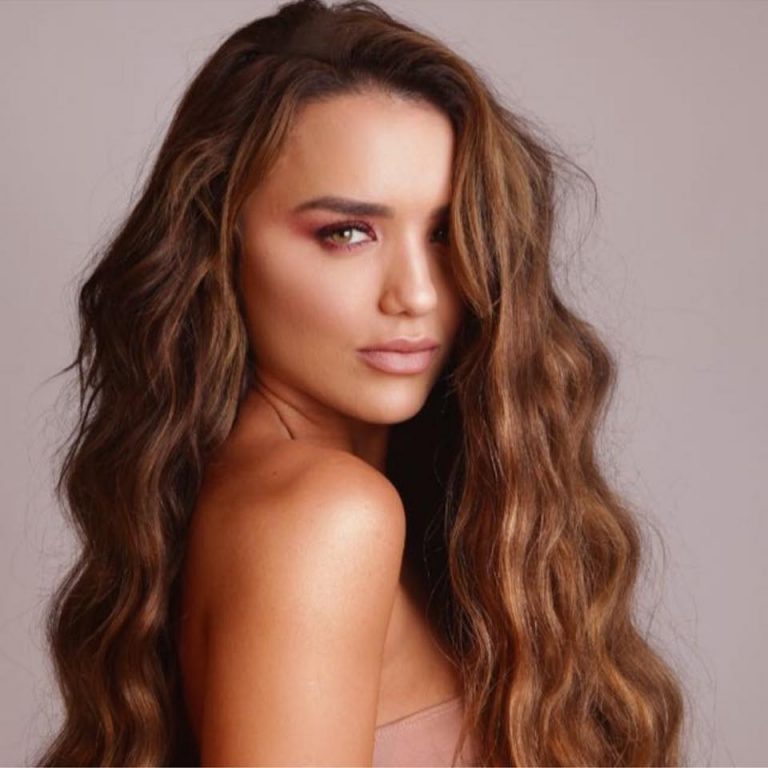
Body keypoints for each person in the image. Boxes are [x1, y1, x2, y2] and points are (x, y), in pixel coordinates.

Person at [34, 0, 686, 765]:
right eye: (347, 233)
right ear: (220, 239)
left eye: (446, 232)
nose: (417, 292)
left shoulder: (268, 494)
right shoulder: (328, 517)